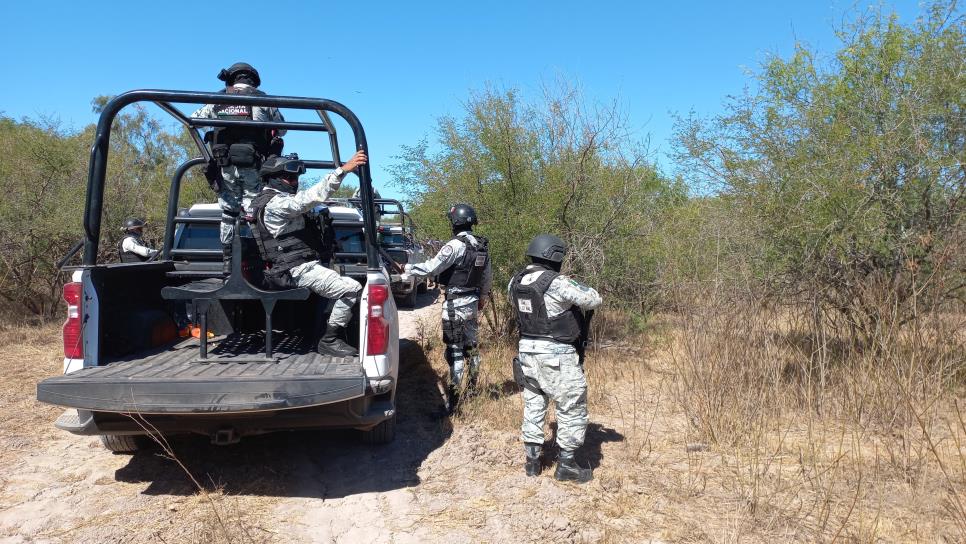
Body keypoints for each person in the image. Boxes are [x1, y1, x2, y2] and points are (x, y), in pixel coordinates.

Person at [249, 152, 368, 356]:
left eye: (296, 178)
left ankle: (323, 332)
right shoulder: (275, 204)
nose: (294, 182)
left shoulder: (277, 200)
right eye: (290, 177)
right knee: (352, 288)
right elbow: (307, 199)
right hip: (294, 269)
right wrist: (342, 171)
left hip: (301, 264)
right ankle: (329, 339)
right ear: (274, 178)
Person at [508, 234, 602, 483]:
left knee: (534, 403)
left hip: (527, 352)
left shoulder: (515, 281)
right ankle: (567, 465)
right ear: (555, 256)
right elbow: (592, 298)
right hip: (556, 353)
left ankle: (532, 461)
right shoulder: (556, 282)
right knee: (572, 406)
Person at [191, 62, 286, 275]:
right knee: (254, 211)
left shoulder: (218, 99)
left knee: (228, 212)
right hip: (253, 166)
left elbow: (194, 119)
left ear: (232, 79)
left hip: (225, 166)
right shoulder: (264, 99)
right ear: (253, 79)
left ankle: (227, 261)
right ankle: (258, 259)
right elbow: (282, 129)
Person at [403, 204, 492, 412]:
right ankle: (471, 391)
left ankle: (453, 405)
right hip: (472, 304)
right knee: (472, 348)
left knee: (455, 352)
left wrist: (408, 268)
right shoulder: (482, 246)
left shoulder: (454, 245)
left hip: (455, 305)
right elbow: (487, 278)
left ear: (455, 222)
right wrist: (483, 298)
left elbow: (432, 267)